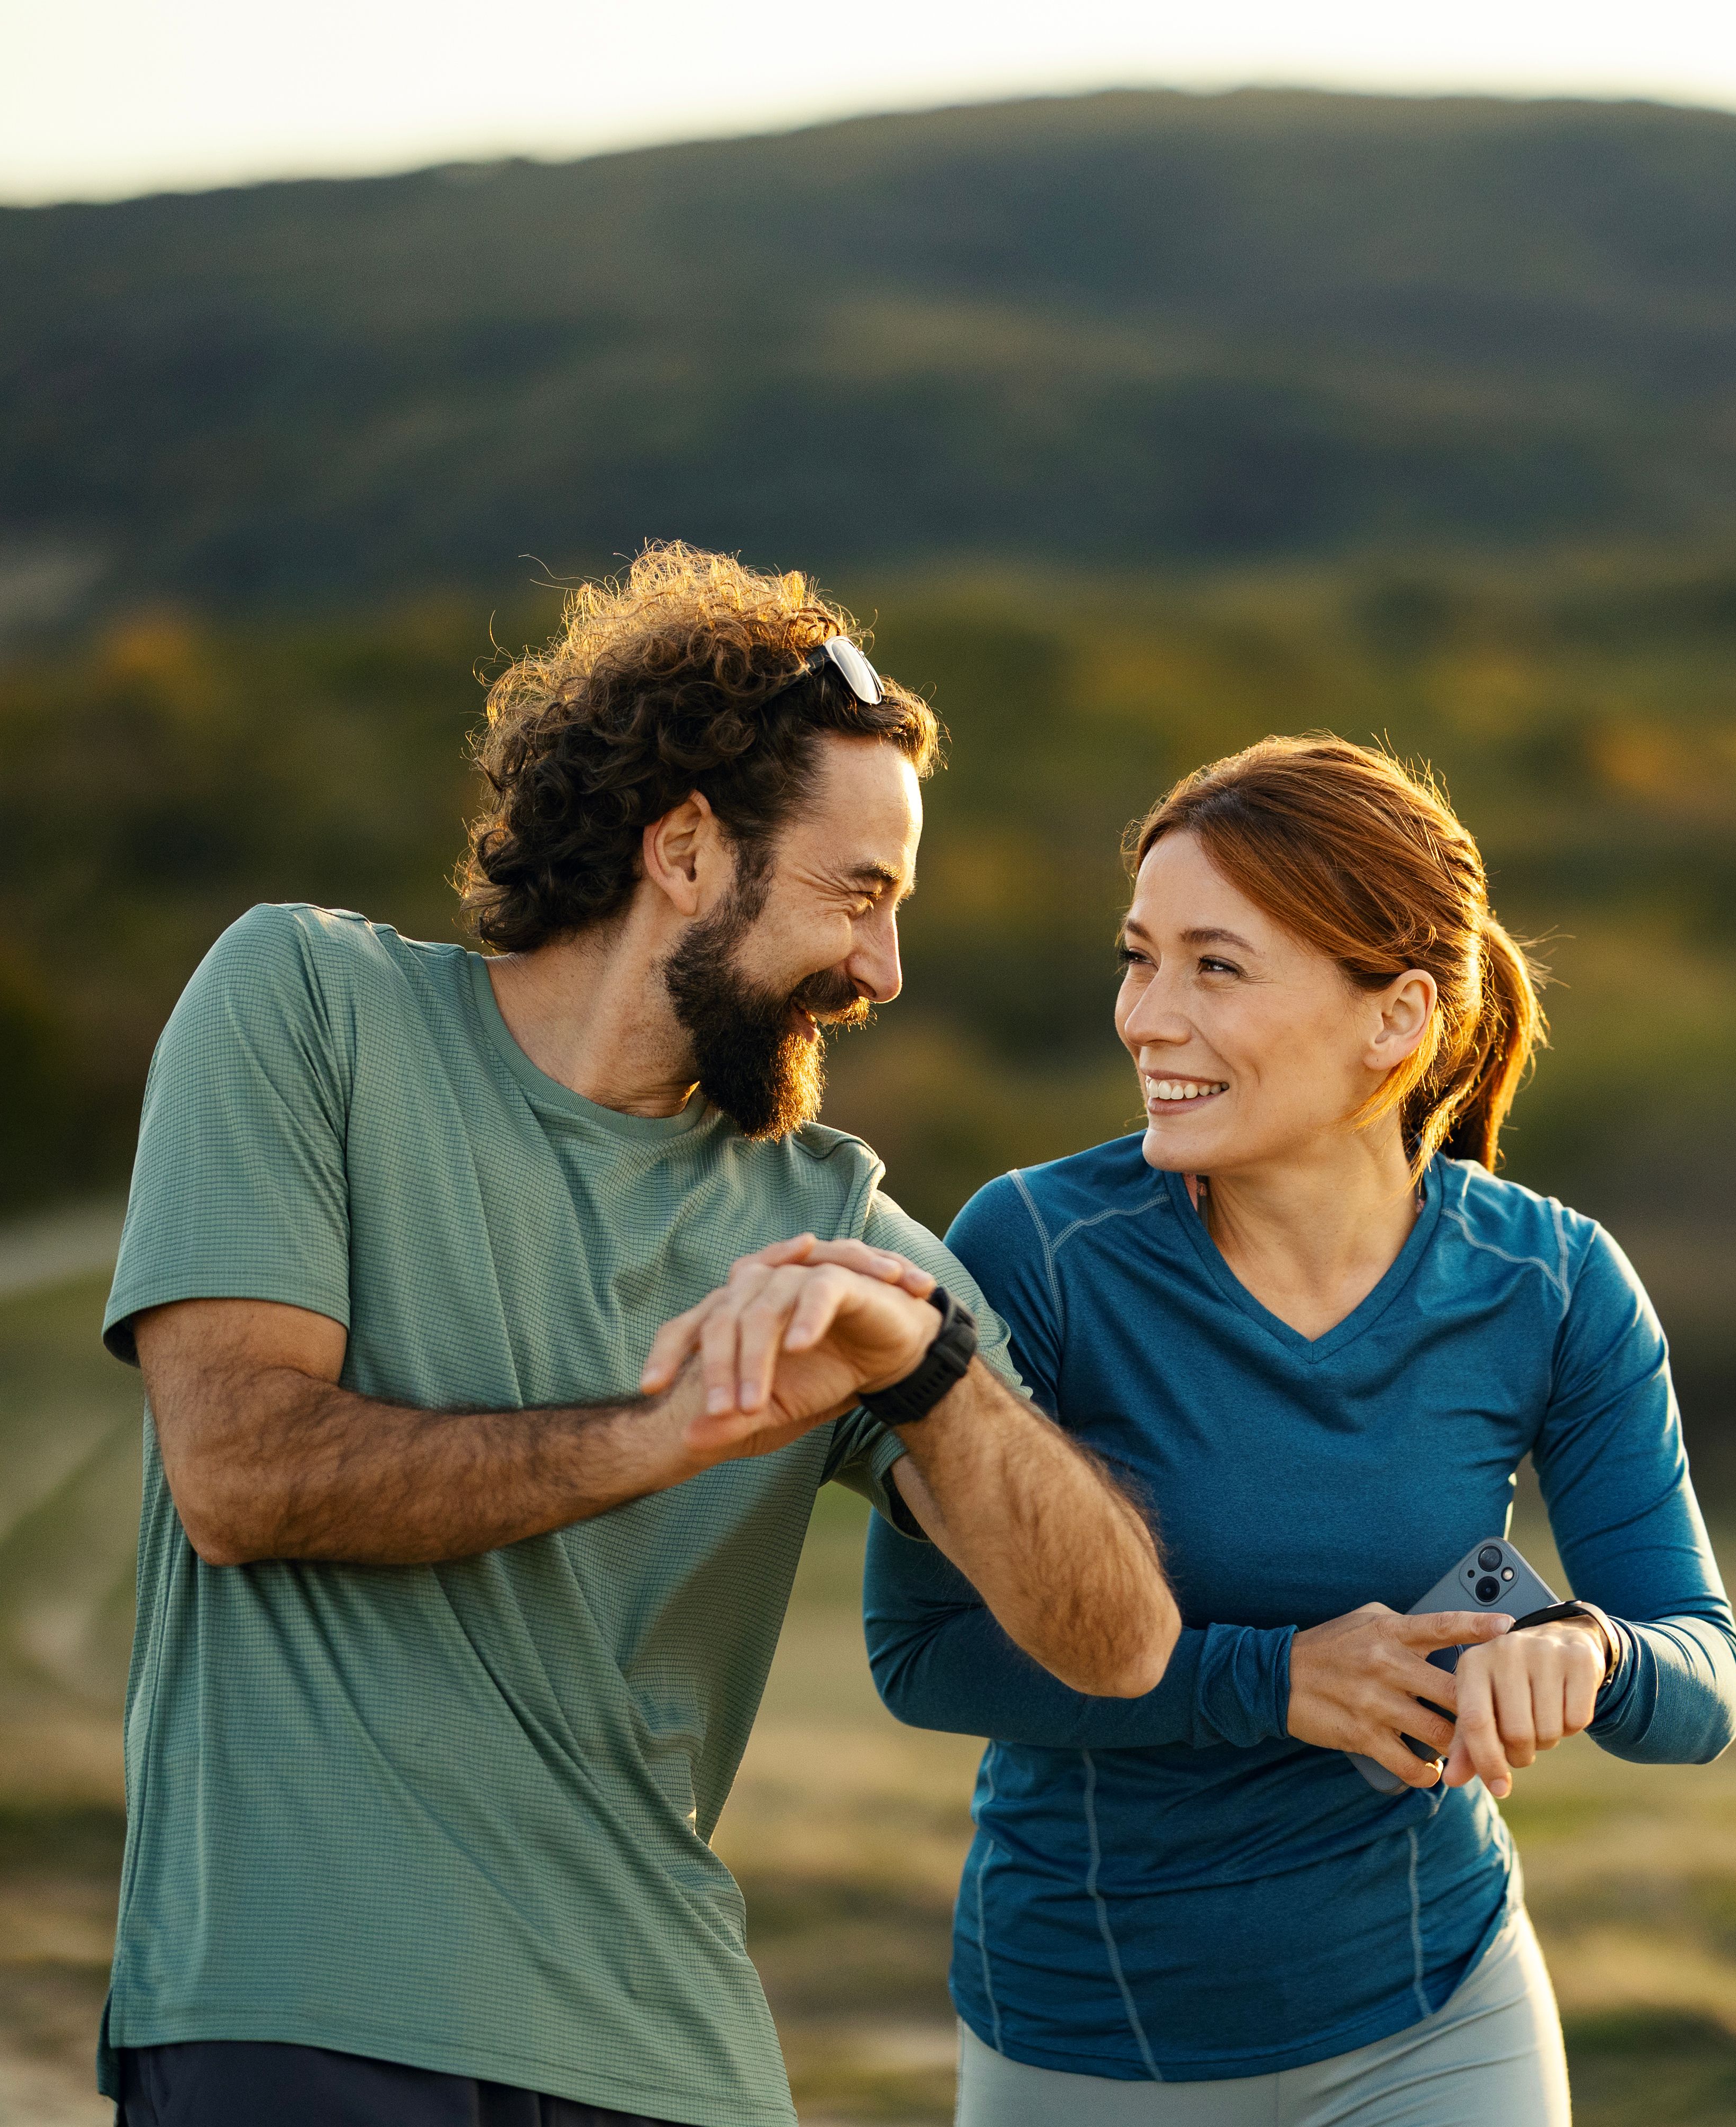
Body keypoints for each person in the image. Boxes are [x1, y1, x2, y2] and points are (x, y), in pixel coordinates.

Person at [96, 542, 1181, 2127]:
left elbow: (1120, 1644)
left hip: (672, 2060)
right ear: (685, 848)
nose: (881, 969)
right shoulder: (309, 1010)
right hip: (299, 2010)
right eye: (856, 897)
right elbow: (244, 1474)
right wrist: (661, 1434)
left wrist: (931, 1374)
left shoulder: (847, 1241)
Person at [856, 735, 1736, 2121]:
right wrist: (1272, 1681)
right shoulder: (1039, 1253)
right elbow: (922, 1658)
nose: (1147, 1018)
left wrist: (1593, 1652)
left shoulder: (1553, 1283)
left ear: (1393, 1017)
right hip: (1095, 2034)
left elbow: (1701, 1677)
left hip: (1442, 2013)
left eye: (1215, 966)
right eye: (1138, 958)